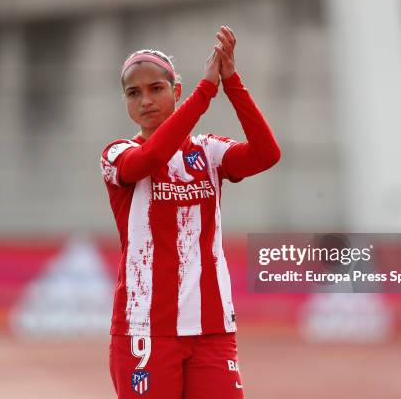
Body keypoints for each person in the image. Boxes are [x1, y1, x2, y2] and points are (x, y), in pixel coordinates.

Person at [100, 26, 280, 399]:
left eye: (156, 88)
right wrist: (204, 94)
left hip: (212, 327)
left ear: (175, 91)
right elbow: (149, 159)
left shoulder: (208, 151)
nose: (146, 100)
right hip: (144, 328)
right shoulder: (116, 155)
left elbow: (266, 154)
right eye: (134, 93)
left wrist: (230, 82)